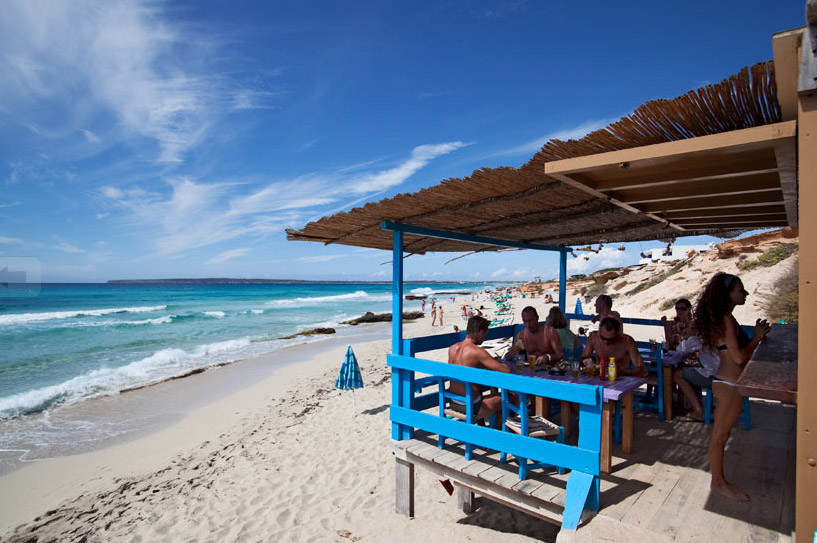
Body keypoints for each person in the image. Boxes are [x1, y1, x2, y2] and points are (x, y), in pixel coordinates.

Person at [695, 272, 770, 502]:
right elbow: (738, 358)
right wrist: (756, 338)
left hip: (726, 382)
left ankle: (718, 480)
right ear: (728, 293)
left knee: (722, 434)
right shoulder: (726, 319)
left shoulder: (723, 318)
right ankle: (718, 482)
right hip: (729, 383)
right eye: (740, 289)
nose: (745, 293)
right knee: (719, 436)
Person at [447, 316, 510, 418]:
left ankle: (487, 427)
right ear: (480, 332)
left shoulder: (452, 348)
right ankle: (502, 431)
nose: (485, 338)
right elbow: (505, 371)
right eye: (485, 334)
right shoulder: (477, 352)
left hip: (453, 401)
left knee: (480, 392)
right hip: (472, 406)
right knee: (510, 397)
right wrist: (503, 364)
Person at [582, 317, 648, 377]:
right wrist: (588, 363)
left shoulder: (627, 341)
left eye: (610, 339)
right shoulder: (593, 337)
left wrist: (625, 372)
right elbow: (583, 358)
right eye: (602, 338)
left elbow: (643, 371)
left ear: (618, 334)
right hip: (600, 378)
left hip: (621, 379)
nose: (606, 342)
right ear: (599, 332)